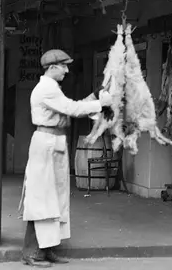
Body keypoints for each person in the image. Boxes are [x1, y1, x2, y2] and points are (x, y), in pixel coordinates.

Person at [19, 49, 112, 267]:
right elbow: (71, 108)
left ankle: (46, 249)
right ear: (52, 67)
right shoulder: (46, 89)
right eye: (64, 66)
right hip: (46, 143)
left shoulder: (53, 88)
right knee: (42, 199)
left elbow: (71, 105)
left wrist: (94, 96)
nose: (67, 70)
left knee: (55, 200)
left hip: (54, 143)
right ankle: (31, 253)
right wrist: (101, 104)